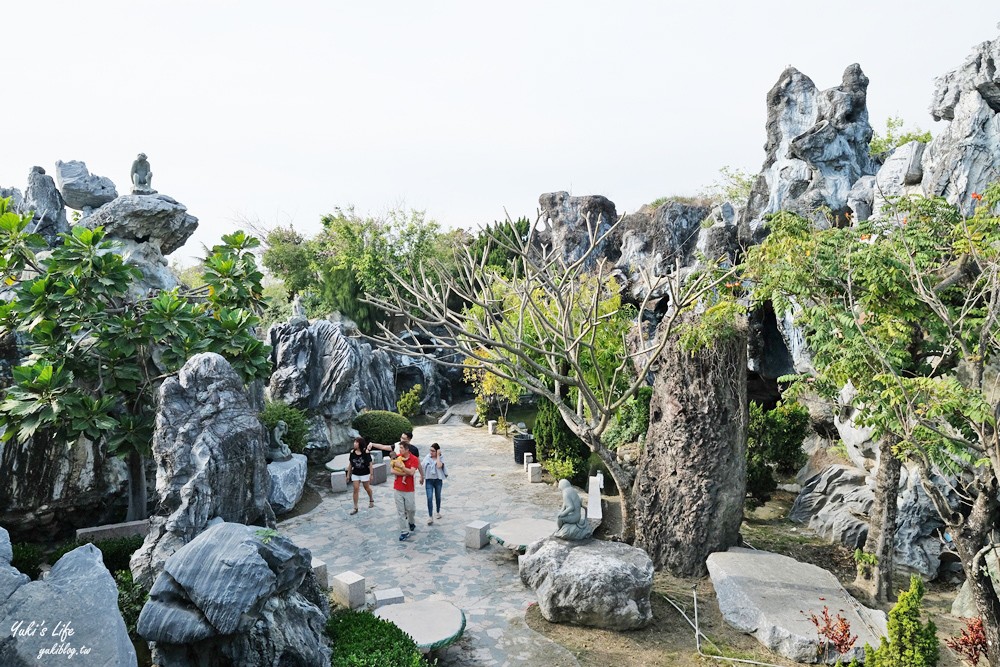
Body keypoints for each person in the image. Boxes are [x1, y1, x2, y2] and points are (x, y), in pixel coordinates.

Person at [390, 438, 423, 540]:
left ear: (407, 449)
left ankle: (411, 522)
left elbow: (412, 472)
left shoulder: (414, 459)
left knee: (411, 509)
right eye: (399, 448)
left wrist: (402, 467)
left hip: (409, 489)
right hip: (398, 488)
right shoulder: (398, 457)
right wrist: (404, 473)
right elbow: (392, 470)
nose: (399, 450)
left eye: (401, 448)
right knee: (400, 511)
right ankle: (404, 531)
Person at [346, 436, 375, 515]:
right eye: (354, 442)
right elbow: (350, 464)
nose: (354, 443)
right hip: (355, 473)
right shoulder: (352, 452)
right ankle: (355, 507)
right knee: (355, 489)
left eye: (356, 442)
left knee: (367, 488)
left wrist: (371, 474)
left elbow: (370, 464)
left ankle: (371, 499)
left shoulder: (366, 452)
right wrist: (348, 475)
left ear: (360, 444)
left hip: (365, 473)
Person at [420, 443, 448, 524]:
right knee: (429, 497)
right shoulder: (427, 457)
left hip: (438, 480)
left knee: (438, 496)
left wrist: (438, 456)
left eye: (433, 451)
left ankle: (438, 511)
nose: (431, 452)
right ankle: (430, 516)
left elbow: (439, 466)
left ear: (437, 451)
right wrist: (422, 477)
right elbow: (422, 466)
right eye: (430, 450)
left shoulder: (441, 458)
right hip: (429, 480)